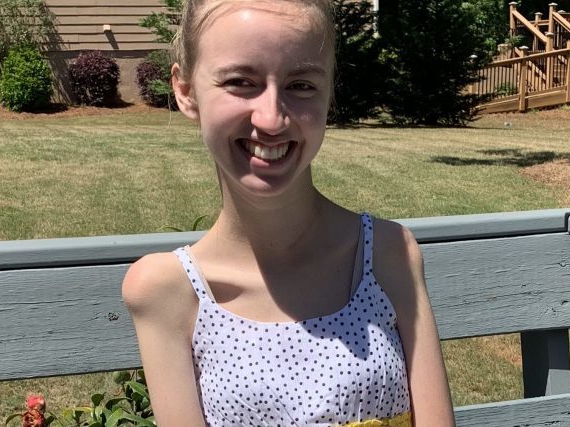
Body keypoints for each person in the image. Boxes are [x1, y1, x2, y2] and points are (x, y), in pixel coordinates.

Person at [119, 0, 455, 425]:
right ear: (185, 92)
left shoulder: (388, 254)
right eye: (241, 82)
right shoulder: (167, 291)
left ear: (329, 92)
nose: (272, 118)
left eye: (301, 85)